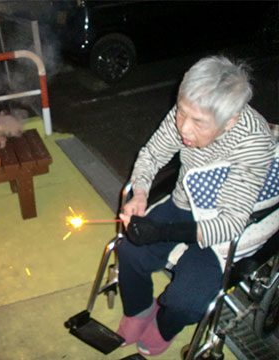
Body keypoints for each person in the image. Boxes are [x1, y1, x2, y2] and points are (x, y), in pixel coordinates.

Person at [117, 56, 275, 356]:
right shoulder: (189, 110)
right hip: (184, 203)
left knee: (186, 302)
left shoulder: (254, 143)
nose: (184, 129)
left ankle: (164, 327)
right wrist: (139, 195)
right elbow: (151, 155)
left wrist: (162, 231)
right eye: (181, 112)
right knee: (129, 252)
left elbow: (230, 223)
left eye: (198, 122)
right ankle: (139, 310)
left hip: (219, 228)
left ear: (230, 120)